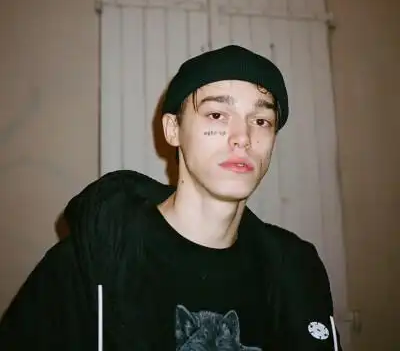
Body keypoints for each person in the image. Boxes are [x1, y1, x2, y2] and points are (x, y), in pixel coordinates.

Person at [0, 45, 342, 350]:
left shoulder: (297, 271)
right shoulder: (91, 260)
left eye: (262, 120)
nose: (243, 137)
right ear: (173, 129)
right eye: (217, 115)